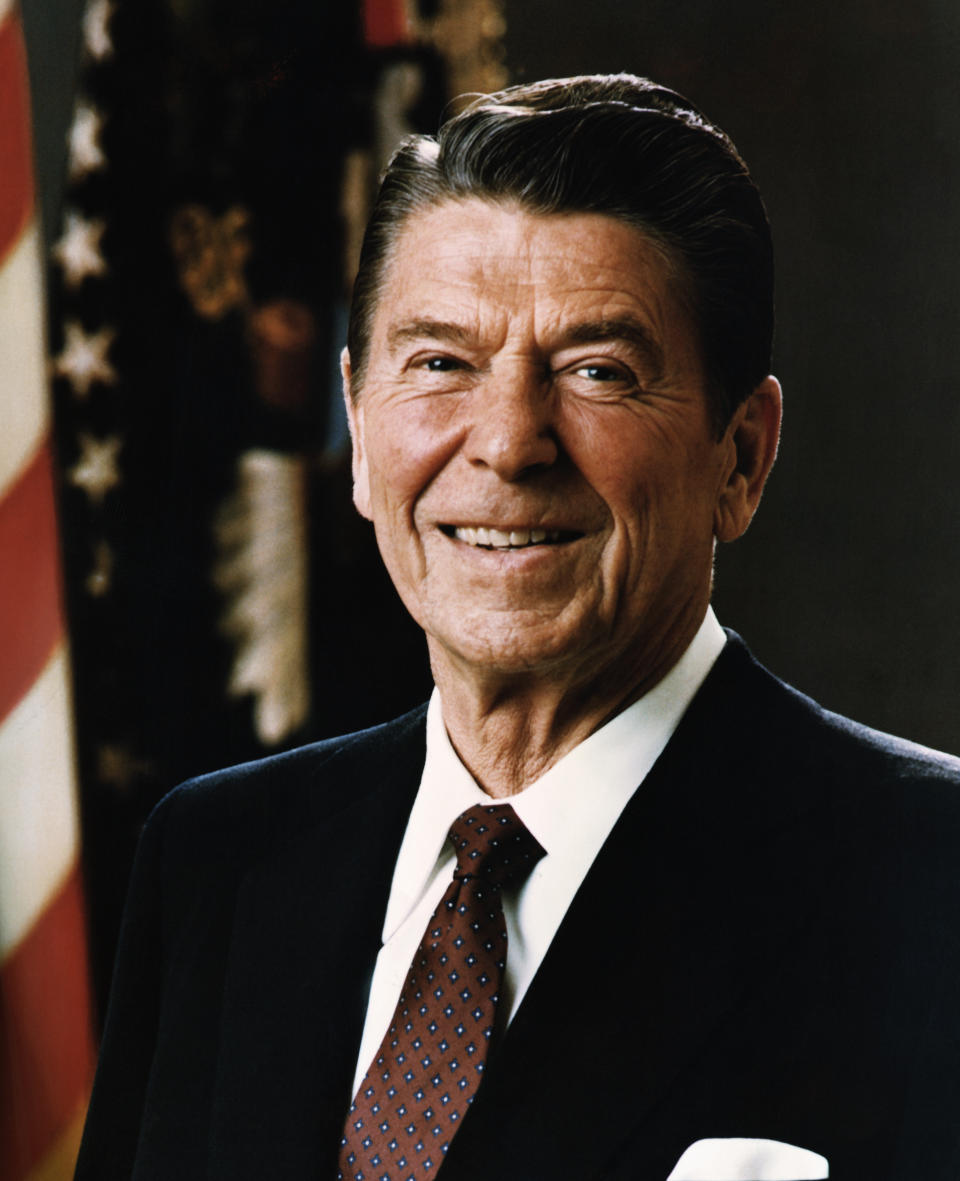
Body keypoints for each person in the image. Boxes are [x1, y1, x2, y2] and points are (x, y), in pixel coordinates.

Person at [75, 75, 960, 1181]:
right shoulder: (218, 861)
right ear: (358, 423)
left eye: (597, 371)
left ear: (742, 454)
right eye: (440, 362)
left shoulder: (929, 884)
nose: (506, 443)